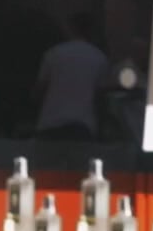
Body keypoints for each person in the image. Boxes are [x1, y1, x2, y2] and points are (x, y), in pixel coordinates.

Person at [32, 12, 110, 141]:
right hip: (82, 125)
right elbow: (100, 98)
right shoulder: (99, 58)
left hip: (50, 123)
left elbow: (39, 91)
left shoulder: (54, 54)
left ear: (71, 29)